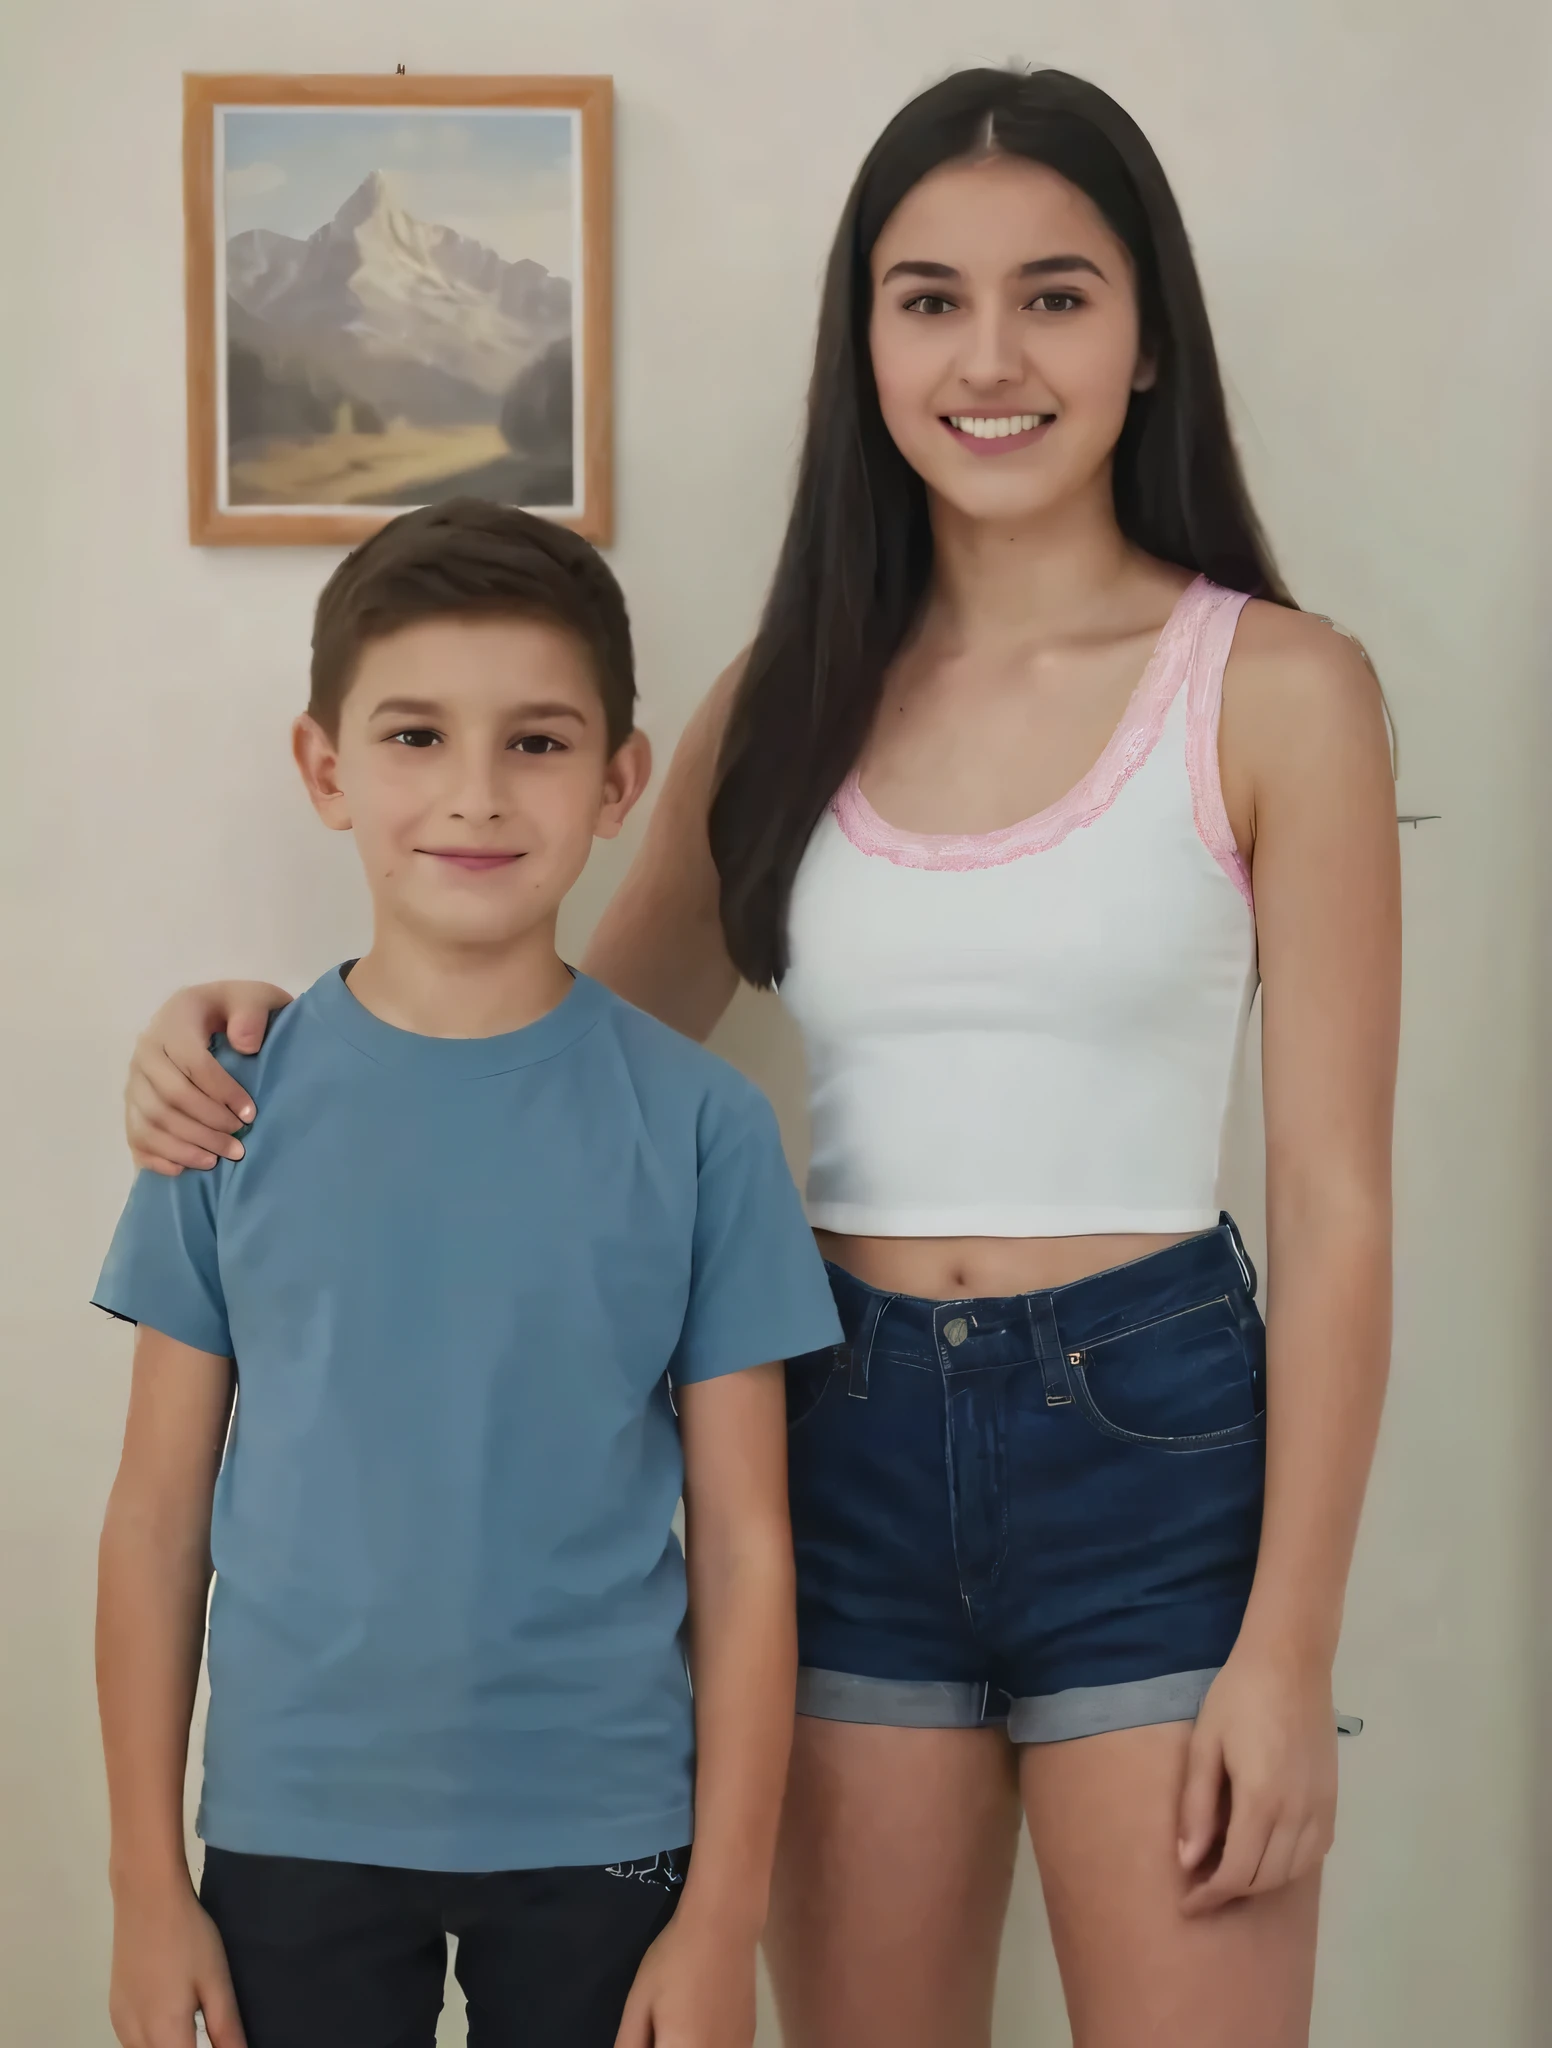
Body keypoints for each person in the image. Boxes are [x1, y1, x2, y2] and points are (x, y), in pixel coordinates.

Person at [119, 66, 1401, 2048]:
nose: (989, 355)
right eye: (925, 298)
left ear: (1145, 339)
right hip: (833, 1445)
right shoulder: (782, 695)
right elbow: (546, 1049)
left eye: (1054, 295)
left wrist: (1284, 1640)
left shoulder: (1279, 689)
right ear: (861, 342)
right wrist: (246, 1039)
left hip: (1153, 1452)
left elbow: (1330, 1204)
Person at [93, 500, 843, 2048]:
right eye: (417, 737)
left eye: (541, 743)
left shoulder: (704, 1129)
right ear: (326, 770)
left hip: (609, 1827)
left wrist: (726, 1915)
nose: (478, 796)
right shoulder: (228, 1105)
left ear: (622, 782)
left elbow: (750, 1549)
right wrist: (143, 1889)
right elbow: (157, 1519)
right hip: (294, 1819)